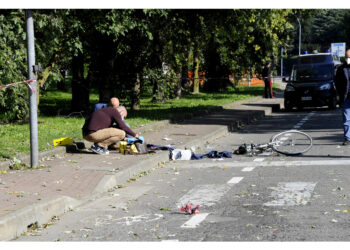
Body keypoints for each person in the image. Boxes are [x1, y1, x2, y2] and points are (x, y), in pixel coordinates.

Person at [335, 49, 350, 145]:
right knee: (346, 118)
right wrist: (340, 94)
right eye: (347, 57)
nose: (348, 59)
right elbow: (337, 83)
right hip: (346, 97)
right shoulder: (341, 69)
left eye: (349, 57)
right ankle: (347, 138)